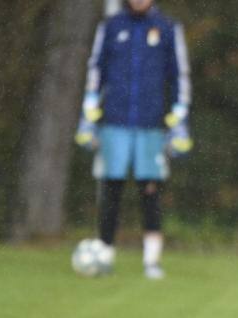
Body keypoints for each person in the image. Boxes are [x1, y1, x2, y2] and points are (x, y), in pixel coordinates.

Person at [75, 0, 192, 280]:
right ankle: (104, 255)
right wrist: (89, 114)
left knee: (150, 190)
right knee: (111, 189)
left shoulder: (167, 28)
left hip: (151, 125)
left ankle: (152, 261)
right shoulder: (111, 26)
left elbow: (179, 76)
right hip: (114, 121)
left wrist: (179, 118)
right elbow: (96, 70)